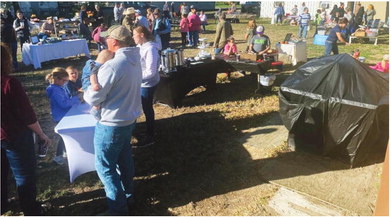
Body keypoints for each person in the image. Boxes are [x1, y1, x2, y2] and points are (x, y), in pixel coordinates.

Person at [83, 25, 142, 215]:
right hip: (128, 120)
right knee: (124, 160)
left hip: (111, 124)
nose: (104, 42)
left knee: (105, 167)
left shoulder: (114, 65)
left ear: (114, 42)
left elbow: (93, 97)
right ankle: (128, 196)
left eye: (106, 39)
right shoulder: (134, 59)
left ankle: (118, 210)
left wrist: (94, 73)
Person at [1, 42, 51, 216]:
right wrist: (42, 134)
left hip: (5, 135)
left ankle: (2, 205)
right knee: (24, 175)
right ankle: (31, 210)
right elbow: (27, 115)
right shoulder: (9, 83)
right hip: (15, 136)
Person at [46, 67, 80, 165]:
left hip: (63, 115)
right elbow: (64, 104)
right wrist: (75, 99)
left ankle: (65, 152)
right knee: (63, 137)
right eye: (64, 80)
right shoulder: (55, 91)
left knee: (66, 136)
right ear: (57, 79)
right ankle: (58, 156)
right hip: (61, 117)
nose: (65, 83)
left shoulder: (58, 88)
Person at [132, 26, 160, 147]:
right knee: (140, 106)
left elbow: (151, 72)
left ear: (142, 35)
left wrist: (135, 77)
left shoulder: (151, 49)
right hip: (140, 82)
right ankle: (146, 130)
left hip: (147, 84)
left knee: (147, 108)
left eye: (134, 35)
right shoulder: (140, 47)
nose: (133, 37)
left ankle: (150, 135)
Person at [81, 49, 115, 120]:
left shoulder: (91, 62)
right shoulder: (97, 66)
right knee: (97, 104)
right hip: (89, 85)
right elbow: (92, 75)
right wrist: (95, 84)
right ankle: (96, 114)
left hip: (85, 84)